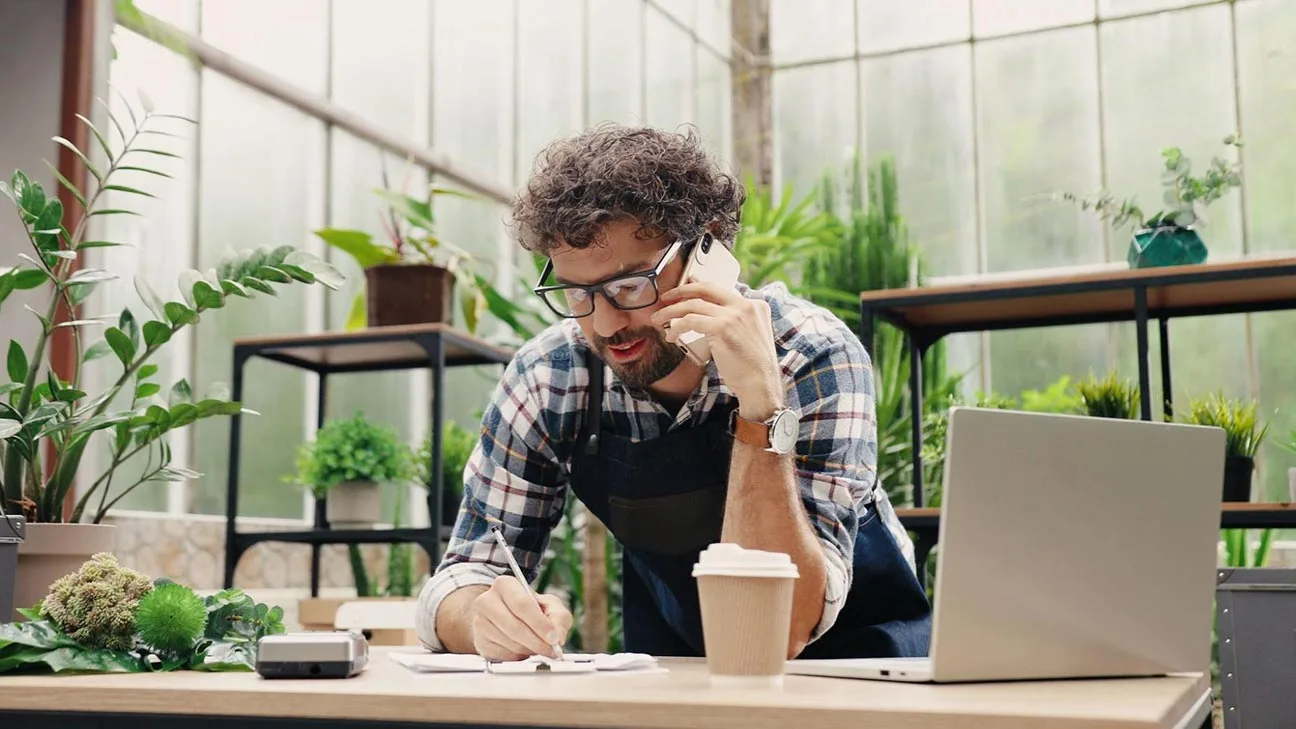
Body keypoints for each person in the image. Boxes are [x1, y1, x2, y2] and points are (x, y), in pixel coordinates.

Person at [414, 124, 931, 661]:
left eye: (631, 285)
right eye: (577, 292)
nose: (608, 323)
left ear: (706, 247)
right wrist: (483, 620)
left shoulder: (811, 354)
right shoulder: (552, 376)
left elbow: (779, 632)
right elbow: (467, 572)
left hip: (861, 671)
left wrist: (761, 408)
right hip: (679, 669)